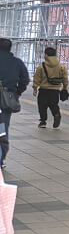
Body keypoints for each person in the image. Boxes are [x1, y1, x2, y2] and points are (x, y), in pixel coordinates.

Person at [0, 38, 29, 170]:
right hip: (6, 100)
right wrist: (17, 92)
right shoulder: (17, 62)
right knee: (2, 129)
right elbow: (25, 80)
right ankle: (1, 159)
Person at [33, 47, 68, 129]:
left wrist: (35, 88)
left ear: (46, 55)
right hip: (55, 90)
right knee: (54, 105)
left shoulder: (41, 66)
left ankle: (43, 122)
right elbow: (65, 78)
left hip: (43, 90)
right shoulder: (61, 66)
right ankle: (56, 114)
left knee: (42, 106)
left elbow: (37, 78)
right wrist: (65, 87)